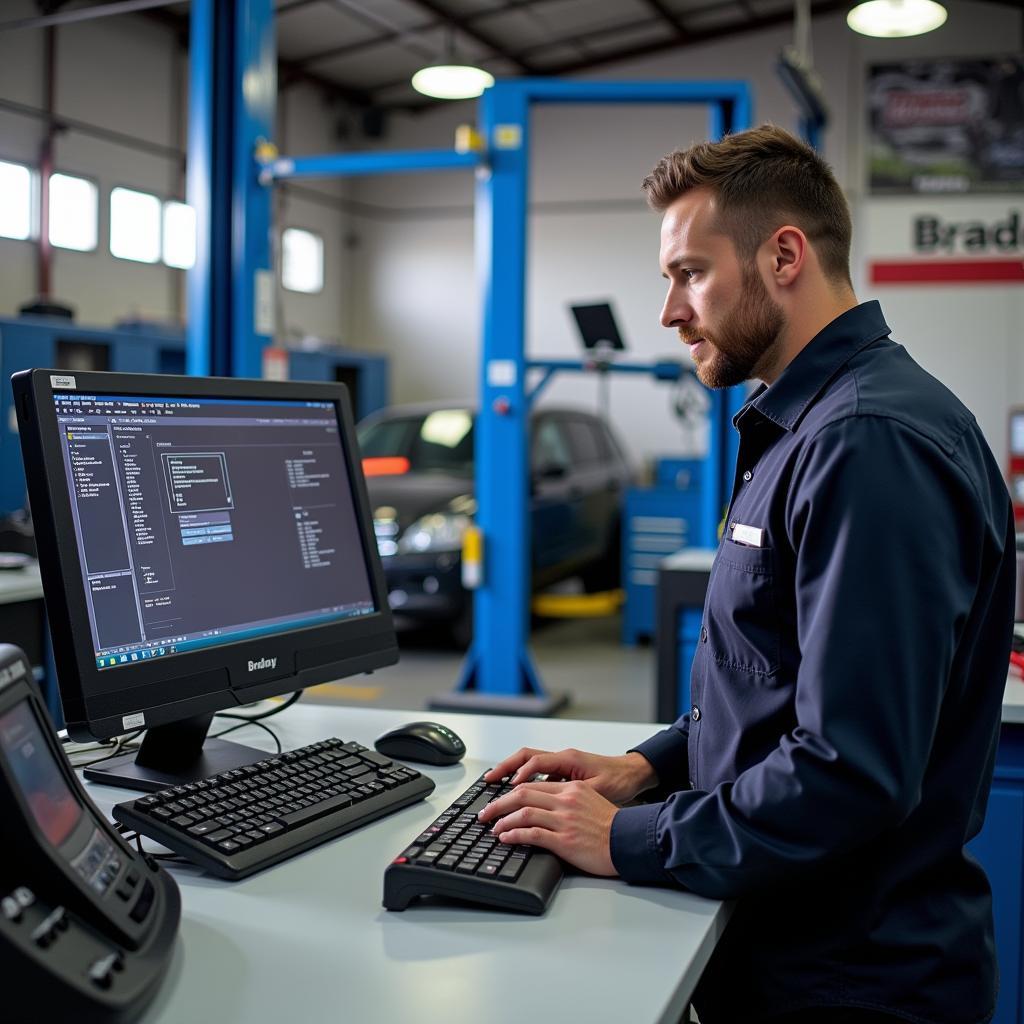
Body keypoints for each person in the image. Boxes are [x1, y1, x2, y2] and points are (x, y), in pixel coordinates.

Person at [477, 124, 1016, 1024]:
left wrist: (629, 838)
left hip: (853, 984)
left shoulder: (866, 444)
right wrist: (641, 770)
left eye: (690, 273)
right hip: (789, 949)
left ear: (784, 255)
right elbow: (771, 687)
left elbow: (849, 770)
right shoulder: (805, 427)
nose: (670, 311)